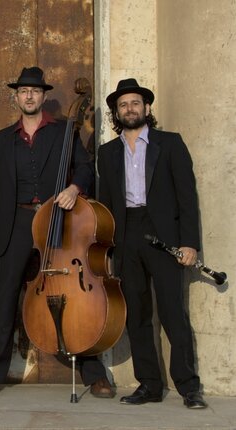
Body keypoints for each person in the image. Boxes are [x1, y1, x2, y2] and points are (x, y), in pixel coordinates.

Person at [0, 67, 114, 397]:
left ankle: (93, 373)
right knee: (5, 297)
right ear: (16, 97)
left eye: (35, 91)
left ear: (43, 97)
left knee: (73, 294)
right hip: (17, 224)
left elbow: (83, 166)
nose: (29, 96)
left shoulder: (64, 131)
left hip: (58, 220)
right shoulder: (1, 139)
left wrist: (75, 188)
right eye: (24, 91)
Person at [97, 79, 207, 409]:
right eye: (123, 105)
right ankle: (150, 384)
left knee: (173, 312)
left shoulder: (169, 144)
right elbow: (104, 203)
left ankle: (189, 386)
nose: (129, 109)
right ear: (116, 113)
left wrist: (190, 243)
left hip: (164, 235)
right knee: (137, 313)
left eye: (135, 103)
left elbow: (188, 197)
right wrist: (106, 247)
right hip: (126, 232)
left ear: (146, 108)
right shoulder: (107, 152)